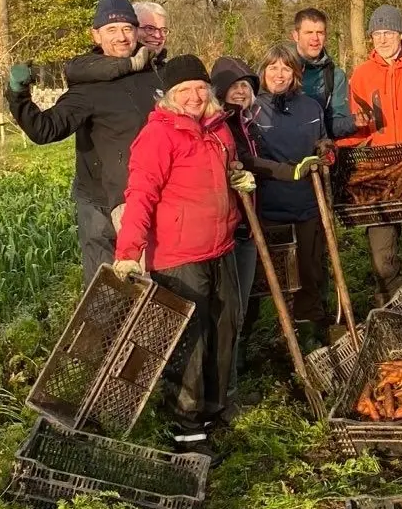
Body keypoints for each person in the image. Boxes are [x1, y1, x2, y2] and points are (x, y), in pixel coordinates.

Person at [111, 54, 252, 457]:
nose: (193, 96)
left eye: (199, 88)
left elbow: (225, 172)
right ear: (170, 96)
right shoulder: (159, 135)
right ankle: (186, 427)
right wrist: (128, 253)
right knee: (191, 339)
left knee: (225, 328)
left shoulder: (218, 128)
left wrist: (238, 175)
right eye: (184, 90)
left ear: (208, 91)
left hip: (220, 246)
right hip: (178, 256)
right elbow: (140, 195)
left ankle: (212, 409)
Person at [6, 0, 163, 286]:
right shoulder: (89, 87)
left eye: (127, 28)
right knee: (107, 288)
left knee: (151, 282)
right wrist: (18, 95)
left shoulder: (154, 74)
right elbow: (45, 129)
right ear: (96, 35)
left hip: (149, 196)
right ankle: (104, 332)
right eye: (111, 30)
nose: (121, 37)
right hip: (100, 202)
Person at [243, 43, 332, 350]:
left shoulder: (310, 107)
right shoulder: (251, 109)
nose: (279, 75)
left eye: (286, 69)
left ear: (296, 74)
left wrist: (325, 149)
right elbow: (247, 156)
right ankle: (246, 337)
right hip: (265, 208)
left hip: (306, 203)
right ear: (262, 72)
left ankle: (309, 334)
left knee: (309, 270)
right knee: (260, 276)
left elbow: (322, 140)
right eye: (272, 68)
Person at [345, 5, 402, 300]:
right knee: (383, 260)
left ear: (401, 34)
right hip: (379, 170)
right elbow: (354, 126)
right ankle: (392, 307)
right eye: (377, 33)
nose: (382, 39)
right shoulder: (360, 75)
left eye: (388, 32)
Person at [211, 56, 262, 373]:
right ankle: (224, 384)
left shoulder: (245, 122)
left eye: (245, 85)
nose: (241, 91)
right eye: (234, 86)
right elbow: (246, 163)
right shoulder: (221, 125)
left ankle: (231, 379)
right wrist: (288, 172)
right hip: (229, 230)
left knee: (240, 308)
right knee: (229, 311)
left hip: (247, 227)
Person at [62, 0, 171, 85]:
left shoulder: (168, 70)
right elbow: (74, 69)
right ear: (134, 30)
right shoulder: (94, 68)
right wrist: (132, 64)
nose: (158, 35)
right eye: (149, 28)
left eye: (163, 30)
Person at [292, 8, 356, 139]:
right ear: (295, 35)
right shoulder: (277, 69)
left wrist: (354, 122)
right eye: (309, 32)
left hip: (317, 153)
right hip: (277, 154)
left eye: (320, 33)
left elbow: (335, 125)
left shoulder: (335, 76)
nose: (315, 38)